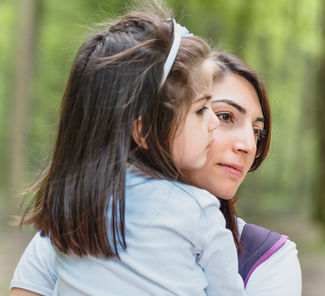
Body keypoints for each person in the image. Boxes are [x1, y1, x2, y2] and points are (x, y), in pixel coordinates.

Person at [10, 53, 301, 295]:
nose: (248, 145)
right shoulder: (84, 223)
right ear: (158, 119)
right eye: (224, 116)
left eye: (256, 131)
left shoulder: (268, 257)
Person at [10, 4, 247, 295]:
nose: (213, 122)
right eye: (200, 109)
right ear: (145, 129)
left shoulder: (69, 206)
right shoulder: (197, 210)